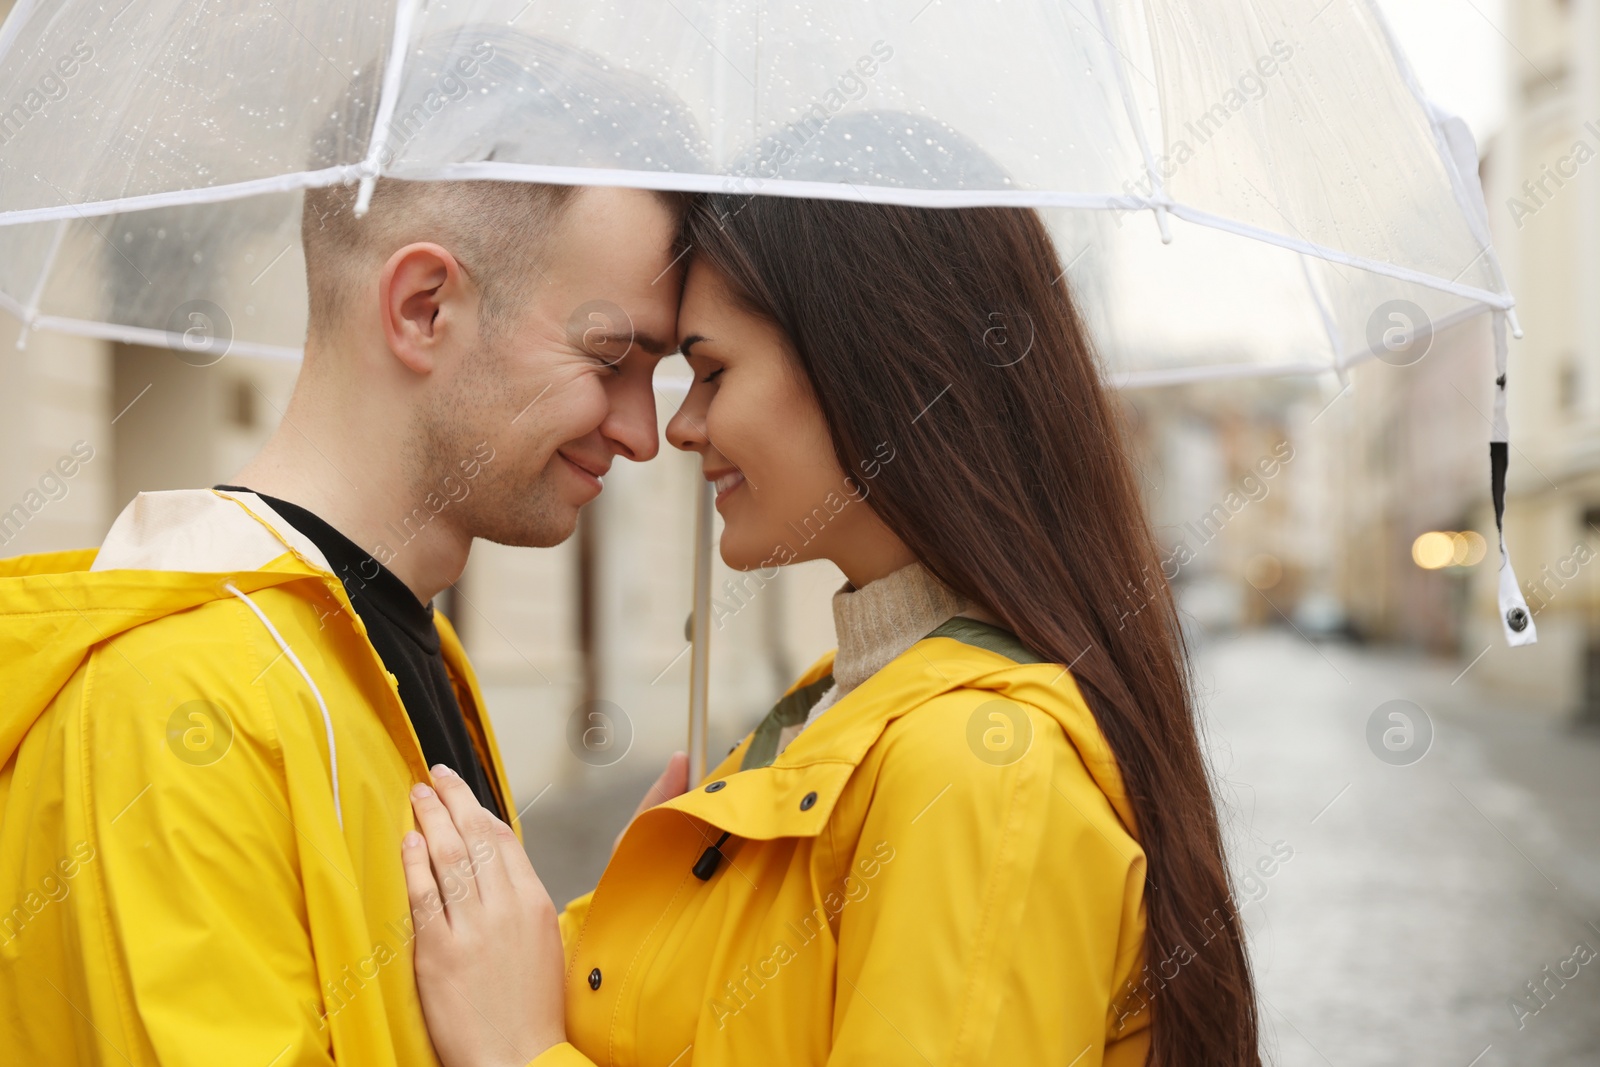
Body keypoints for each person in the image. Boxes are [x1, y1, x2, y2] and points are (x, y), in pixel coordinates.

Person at [397, 166, 1262, 1063]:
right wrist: (656, 913)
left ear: (864, 365)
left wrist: (516, 1053)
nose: (680, 427)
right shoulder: (839, 705)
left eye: (711, 371)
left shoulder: (979, 763)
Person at [0, 22, 703, 1058]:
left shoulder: (393, 646)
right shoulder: (174, 704)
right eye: (609, 356)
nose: (645, 432)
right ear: (423, 308)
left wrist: (603, 947)